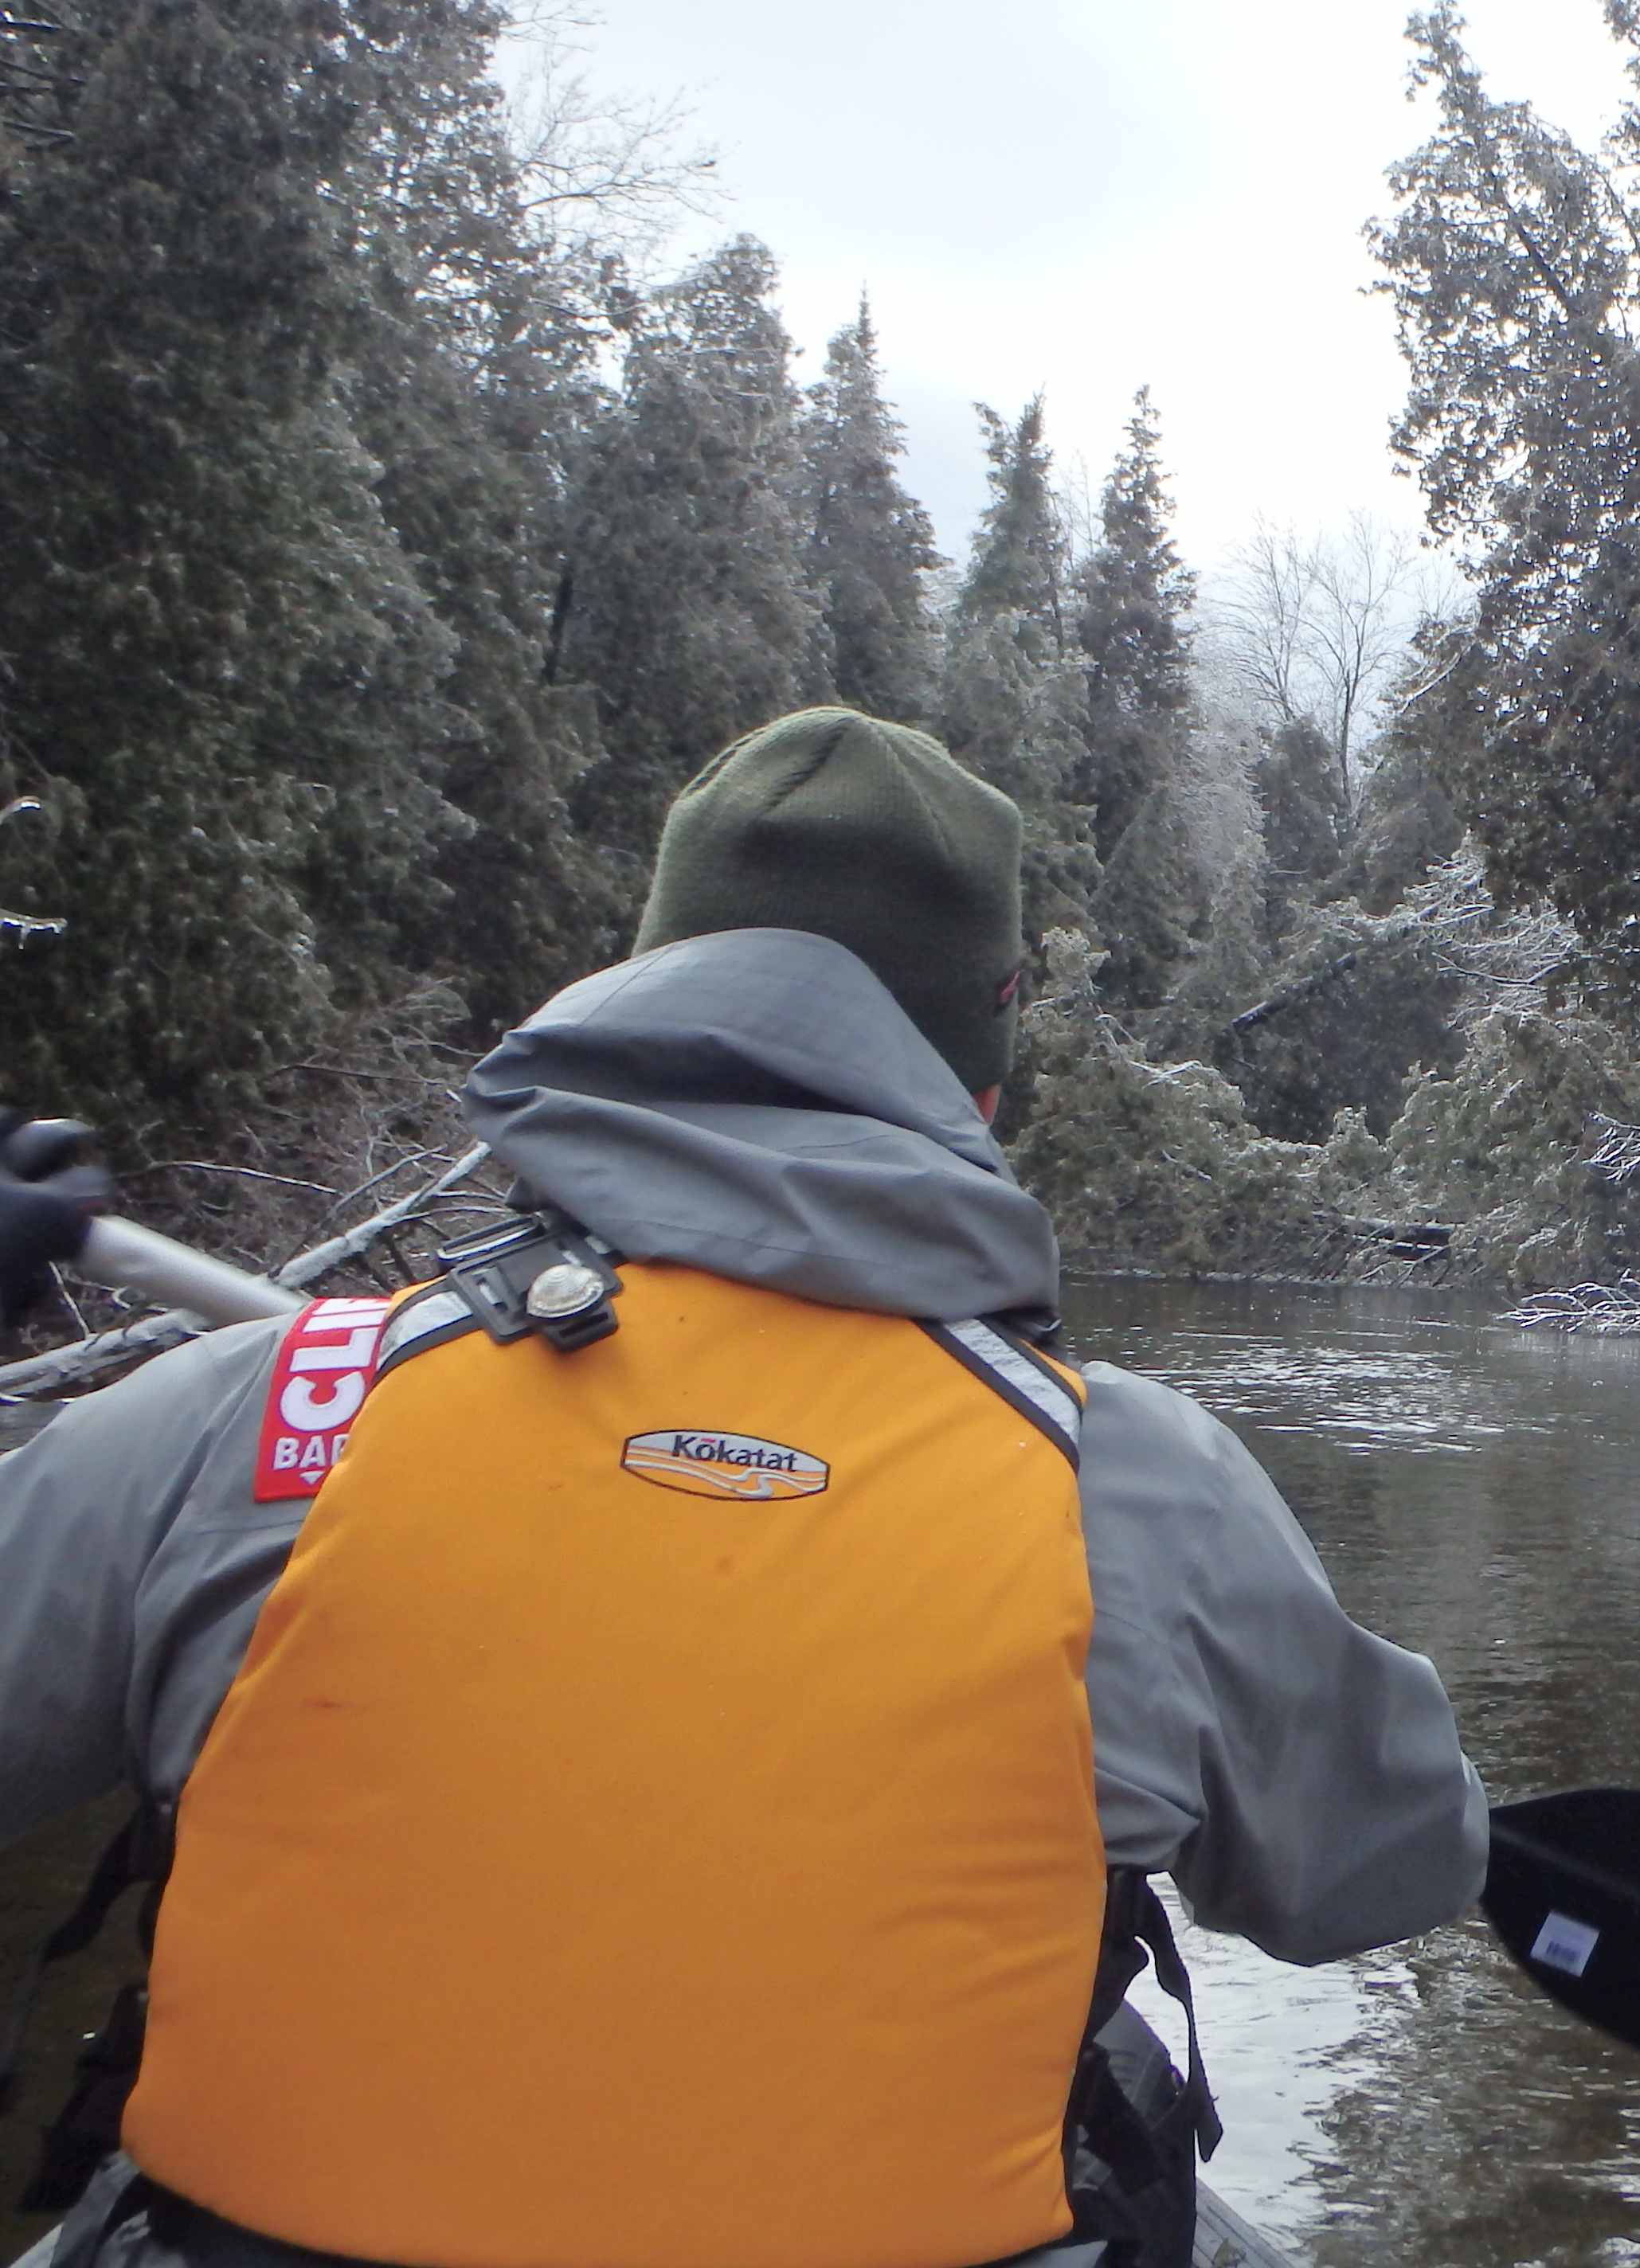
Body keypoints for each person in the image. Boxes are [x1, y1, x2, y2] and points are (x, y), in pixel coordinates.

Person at [0, 708, 1486, 2268]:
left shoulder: (268, 1416)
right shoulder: (1134, 1489)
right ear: (978, 1089)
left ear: (633, 1002)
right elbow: (1379, 1871)